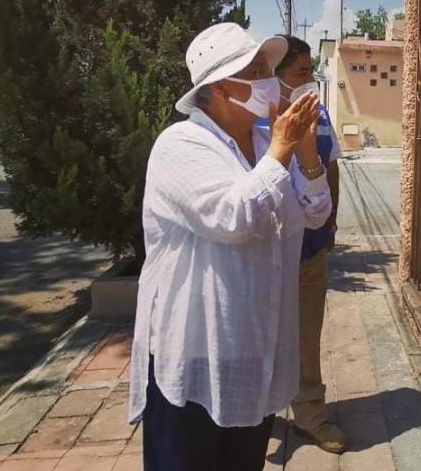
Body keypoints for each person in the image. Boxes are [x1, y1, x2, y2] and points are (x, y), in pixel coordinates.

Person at [128, 23, 332, 471]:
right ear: (222, 86)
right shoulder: (181, 144)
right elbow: (232, 218)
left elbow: (316, 213)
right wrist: (281, 152)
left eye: (267, 69)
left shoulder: (263, 142)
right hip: (198, 346)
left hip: (254, 344)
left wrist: (307, 152)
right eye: (257, 70)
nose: (269, 80)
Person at [267, 36, 348, 453]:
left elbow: (330, 164)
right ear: (276, 77)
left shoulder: (319, 114)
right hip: (262, 255)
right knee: (258, 334)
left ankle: (310, 415)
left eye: (311, 70)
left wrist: (330, 224)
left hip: (308, 247)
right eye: (301, 72)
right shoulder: (253, 121)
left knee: (306, 335)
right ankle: (255, 415)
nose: (309, 79)